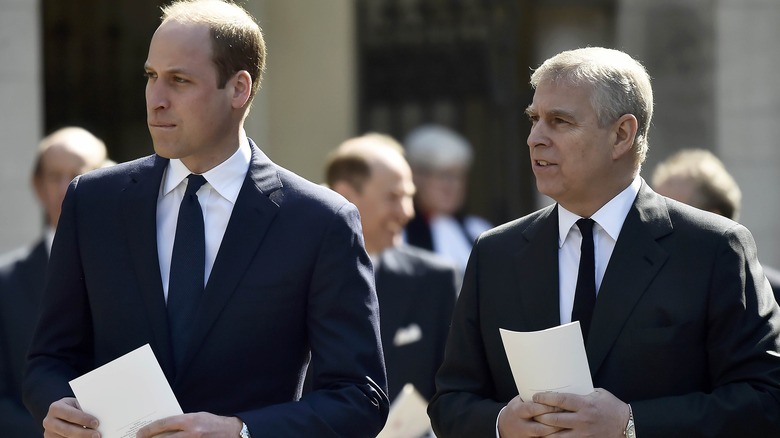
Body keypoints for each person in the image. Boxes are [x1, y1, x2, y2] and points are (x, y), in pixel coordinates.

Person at [22, 1, 388, 437]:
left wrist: (240, 430)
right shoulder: (93, 201)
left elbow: (359, 396)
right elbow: (48, 360)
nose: (156, 100)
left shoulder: (319, 222)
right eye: (151, 77)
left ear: (239, 89)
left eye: (179, 80)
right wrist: (56, 405)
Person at [428, 47, 780, 437]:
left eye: (559, 121)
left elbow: (765, 400)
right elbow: (451, 401)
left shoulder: (714, 248)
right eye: (533, 119)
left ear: (621, 135)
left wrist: (631, 425)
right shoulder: (496, 253)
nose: (534, 139)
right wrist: (499, 424)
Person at [325, 133, 458, 403]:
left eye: (409, 196)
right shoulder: (298, 274)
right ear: (345, 196)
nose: (407, 211)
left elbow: (454, 388)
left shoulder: (435, 280)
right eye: (394, 197)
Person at [0, 127, 109, 436]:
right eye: (54, 176)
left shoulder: (136, 268)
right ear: (37, 185)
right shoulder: (5, 284)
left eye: (77, 176)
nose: (66, 189)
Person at [651, 148, 780, 299]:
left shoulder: (770, 296)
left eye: (673, 215)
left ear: (714, 220)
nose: (657, 228)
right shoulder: (650, 293)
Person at [403, 124, 492, 274]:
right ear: (416, 176)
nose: (452, 186)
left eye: (458, 176)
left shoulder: (477, 230)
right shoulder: (398, 233)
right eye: (443, 175)